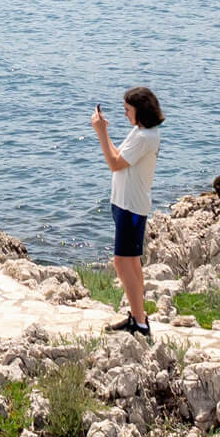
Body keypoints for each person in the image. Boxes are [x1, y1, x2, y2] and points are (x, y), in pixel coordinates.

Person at [91, 86, 163, 336]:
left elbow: (113, 163)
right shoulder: (141, 132)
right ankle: (138, 317)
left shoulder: (145, 138)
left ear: (140, 110)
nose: (125, 114)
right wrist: (105, 132)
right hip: (125, 203)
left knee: (122, 263)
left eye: (127, 110)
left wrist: (101, 133)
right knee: (131, 262)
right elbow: (119, 156)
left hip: (131, 206)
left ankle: (140, 323)